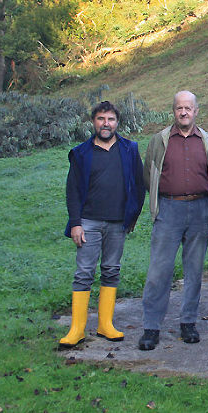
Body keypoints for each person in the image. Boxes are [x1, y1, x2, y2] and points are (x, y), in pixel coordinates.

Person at [138, 91, 208, 351]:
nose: (183, 112)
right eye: (178, 108)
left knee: (194, 271)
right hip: (168, 209)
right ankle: (151, 327)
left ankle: (188, 322)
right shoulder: (159, 141)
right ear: (173, 111)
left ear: (196, 111)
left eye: (188, 108)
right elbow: (148, 174)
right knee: (158, 271)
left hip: (199, 210)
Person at [60, 101, 145, 349]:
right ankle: (77, 329)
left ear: (117, 123)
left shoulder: (129, 149)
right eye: (100, 119)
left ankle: (105, 324)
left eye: (110, 119)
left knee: (111, 269)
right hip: (89, 221)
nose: (105, 124)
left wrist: (133, 216)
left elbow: (139, 185)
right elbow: (72, 191)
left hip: (118, 222)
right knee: (84, 272)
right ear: (93, 122)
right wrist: (76, 223)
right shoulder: (81, 153)